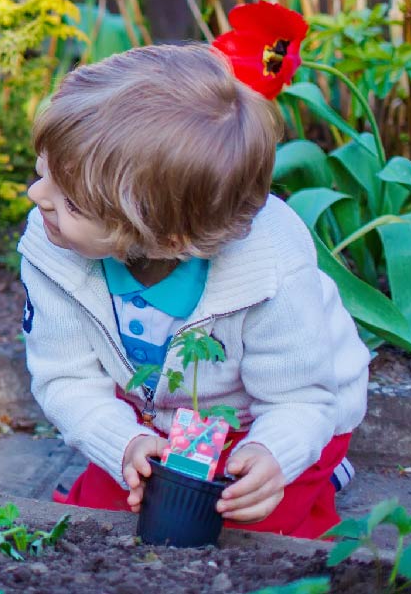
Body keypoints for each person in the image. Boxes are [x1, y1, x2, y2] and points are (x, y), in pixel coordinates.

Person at [20, 43, 368, 540]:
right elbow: (64, 378)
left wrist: (275, 454)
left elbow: (301, 399)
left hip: (265, 416)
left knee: (250, 523)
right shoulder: (52, 249)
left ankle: (319, 473)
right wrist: (126, 443)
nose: (38, 198)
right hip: (153, 418)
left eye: (70, 201)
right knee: (105, 517)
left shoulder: (269, 268)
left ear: (169, 239)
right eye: (43, 172)